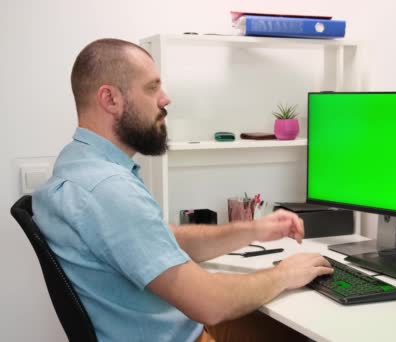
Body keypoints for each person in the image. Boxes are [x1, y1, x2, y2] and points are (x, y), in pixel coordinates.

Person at [32, 38, 333, 342]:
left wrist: (254, 229)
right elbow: (210, 304)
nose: (165, 99)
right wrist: (285, 274)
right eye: (152, 88)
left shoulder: (78, 163)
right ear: (110, 99)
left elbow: (160, 240)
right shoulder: (109, 191)